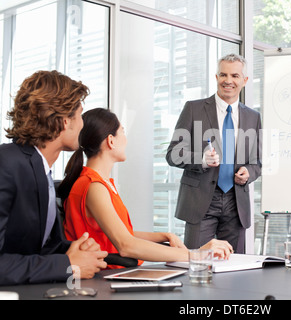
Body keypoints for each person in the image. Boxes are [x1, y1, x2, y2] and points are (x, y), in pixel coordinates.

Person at [58, 108, 233, 269]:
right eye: (123, 132)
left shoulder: (100, 182)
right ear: (111, 141)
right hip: (105, 277)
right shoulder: (93, 186)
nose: (126, 139)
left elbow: (118, 232)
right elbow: (126, 245)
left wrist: (163, 236)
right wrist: (195, 254)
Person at [0, 70, 107, 285]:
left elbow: (40, 248)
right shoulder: (7, 164)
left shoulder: (41, 169)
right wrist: (68, 265)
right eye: (80, 116)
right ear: (64, 120)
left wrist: (76, 251)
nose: (82, 125)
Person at [166, 53, 262, 253]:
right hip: (201, 201)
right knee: (196, 264)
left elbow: (257, 162)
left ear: (244, 80)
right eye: (223, 75)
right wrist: (201, 159)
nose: (228, 81)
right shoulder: (194, 109)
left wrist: (248, 172)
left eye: (235, 76)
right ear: (216, 77)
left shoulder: (253, 117)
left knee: (236, 268)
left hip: (236, 202)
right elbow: (173, 153)